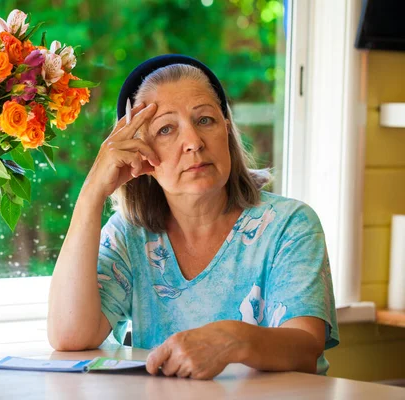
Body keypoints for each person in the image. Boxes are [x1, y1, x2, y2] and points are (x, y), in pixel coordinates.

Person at [47, 54, 339, 380]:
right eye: (166, 129)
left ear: (226, 130)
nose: (194, 142)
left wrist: (233, 339)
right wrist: (92, 194)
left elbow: (305, 348)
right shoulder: (129, 235)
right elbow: (69, 336)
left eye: (204, 120)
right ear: (141, 153)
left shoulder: (290, 224)